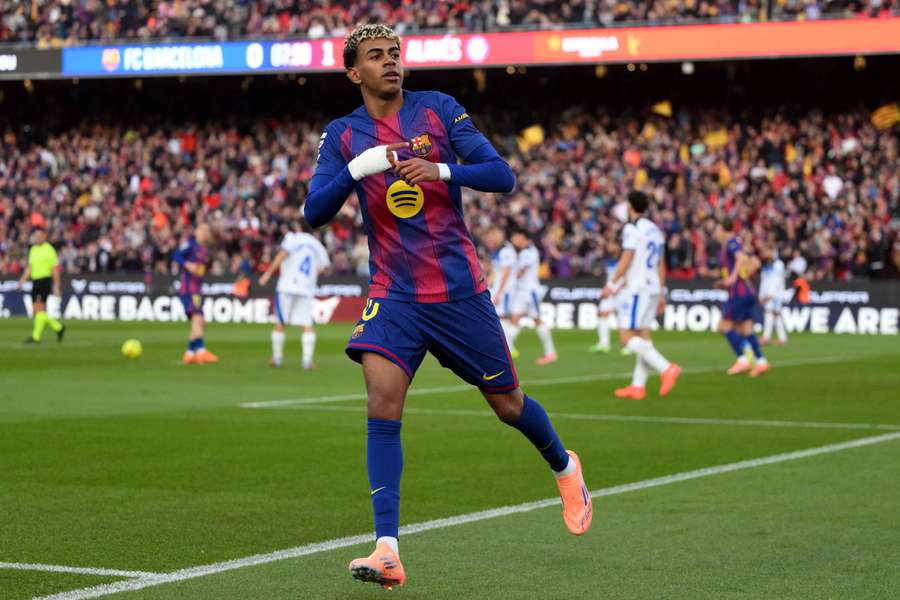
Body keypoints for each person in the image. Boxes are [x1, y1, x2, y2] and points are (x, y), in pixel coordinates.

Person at [303, 24, 592, 590]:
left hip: (458, 292)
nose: (390, 63)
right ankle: (387, 547)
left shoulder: (438, 109)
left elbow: (501, 175)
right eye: (376, 57)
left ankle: (565, 466)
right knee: (382, 407)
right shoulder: (341, 134)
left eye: (395, 54)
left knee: (509, 406)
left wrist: (441, 170)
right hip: (394, 295)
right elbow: (315, 210)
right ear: (353, 72)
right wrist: (359, 168)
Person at [602, 192, 681, 400]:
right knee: (643, 336)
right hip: (653, 287)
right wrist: (662, 291)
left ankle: (666, 368)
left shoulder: (632, 228)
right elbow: (661, 263)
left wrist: (612, 283)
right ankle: (638, 386)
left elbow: (627, 256)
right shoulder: (655, 230)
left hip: (638, 288)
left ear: (630, 206)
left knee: (626, 337)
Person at [259, 221, 331, 369]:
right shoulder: (317, 244)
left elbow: (282, 255)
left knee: (280, 322)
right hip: (306, 288)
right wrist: (311, 278)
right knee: (307, 324)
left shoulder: (292, 238)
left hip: (287, 285)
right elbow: (324, 266)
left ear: (298, 227)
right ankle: (307, 361)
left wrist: (267, 274)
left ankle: (277, 358)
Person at [715, 219, 769, 376]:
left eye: (718, 229)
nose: (716, 233)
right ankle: (761, 361)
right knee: (745, 329)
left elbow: (740, 258)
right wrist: (741, 275)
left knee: (723, 326)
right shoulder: (735, 243)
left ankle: (743, 360)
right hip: (746, 291)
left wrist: (733, 278)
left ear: (724, 230)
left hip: (739, 293)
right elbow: (756, 262)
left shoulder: (732, 242)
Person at [506, 227, 557, 365]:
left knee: (537, 320)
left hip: (530, 292)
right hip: (522, 292)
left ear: (524, 238)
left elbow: (520, 271)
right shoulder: (526, 251)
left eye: (517, 237)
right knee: (515, 319)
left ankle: (550, 352)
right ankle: (508, 351)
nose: (515, 240)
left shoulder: (528, 252)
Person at [173, 222, 218, 364]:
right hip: (189, 288)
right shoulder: (190, 245)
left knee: (201, 321)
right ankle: (201, 351)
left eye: (207, 230)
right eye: (202, 230)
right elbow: (176, 255)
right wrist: (188, 265)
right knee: (197, 317)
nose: (205, 232)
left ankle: (189, 353)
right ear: (197, 232)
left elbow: (202, 269)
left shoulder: (204, 250)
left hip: (197, 289)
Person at [16, 227, 65, 344]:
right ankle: (58, 327)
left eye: (39, 236)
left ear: (44, 237)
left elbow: (55, 269)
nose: (37, 238)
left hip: (44, 280)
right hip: (35, 281)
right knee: (37, 311)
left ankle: (36, 337)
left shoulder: (49, 250)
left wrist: (56, 285)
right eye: (35, 236)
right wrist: (22, 280)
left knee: (38, 309)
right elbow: (30, 267)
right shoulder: (33, 249)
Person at [484, 226, 518, 353]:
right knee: (498, 316)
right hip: (498, 288)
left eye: (493, 235)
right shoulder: (497, 251)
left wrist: (499, 292)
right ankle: (507, 347)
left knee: (502, 316)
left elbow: (506, 273)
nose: (490, 239)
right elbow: (495, 272)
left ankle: (508, 347)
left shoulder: (506, 251)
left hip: (506, 289)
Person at [759, 247, 788, 345]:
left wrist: (771, 294)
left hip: (776, 295)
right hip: (767, 295)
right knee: (775, 315)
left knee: (770, 314)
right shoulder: (766, 265)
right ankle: (782, 338)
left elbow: (777, 280)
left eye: (767, 251)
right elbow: (764, 282)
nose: (764, 253)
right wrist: (761, 295)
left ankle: (766, 337)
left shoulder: (778, 264)